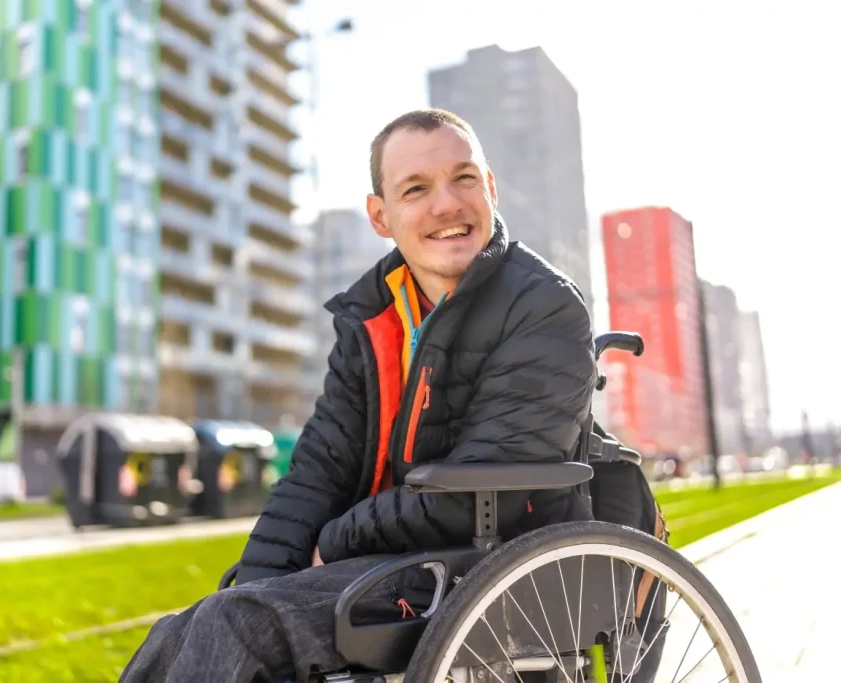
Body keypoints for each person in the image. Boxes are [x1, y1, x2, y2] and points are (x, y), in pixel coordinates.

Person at [119, 108, 598, 683]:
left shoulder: (543, 308)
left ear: (490, 188)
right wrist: (262, 577)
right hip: (400, 560)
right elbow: (317, 471)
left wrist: (335, 540)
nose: (446, 204)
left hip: (497, 566)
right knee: (185, 626)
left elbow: (483, 483)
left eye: (463, 178)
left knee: (238, 628)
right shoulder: (371, 320)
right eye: (415, 189)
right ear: (381, 216)